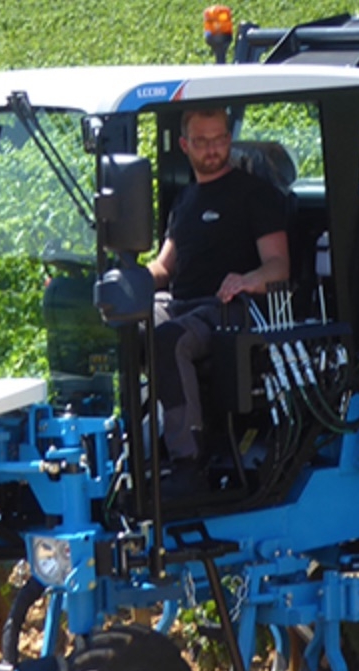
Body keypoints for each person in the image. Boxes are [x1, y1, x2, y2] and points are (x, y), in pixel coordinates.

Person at [147, 108, 290, 493]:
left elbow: (278, 266)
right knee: (133, 323)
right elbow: (164, 266)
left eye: (220, 139)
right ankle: (142, 443)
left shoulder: (252, 195)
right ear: (184, 145)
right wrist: (126, 281)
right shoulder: (185, 200)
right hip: (184, 304)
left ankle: (188, 461)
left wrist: (247, 279)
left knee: (170, 339)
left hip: (231, 309)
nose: (213, 150)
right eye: (202, 142)